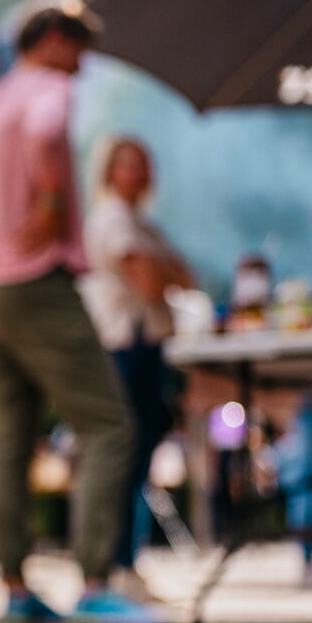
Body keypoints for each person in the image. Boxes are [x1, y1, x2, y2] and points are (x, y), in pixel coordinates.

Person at [0, 0, 169, 623]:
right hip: (33, 281)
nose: (80, 67)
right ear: (52, 39)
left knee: (5, 439)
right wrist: (50, 201)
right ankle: (99, 584)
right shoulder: (43, 89)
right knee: (107, 425)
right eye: (79, 50)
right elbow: (48, 132)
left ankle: (17, 589)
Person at [82, 136, 196, 599]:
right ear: (110, 171)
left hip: (142, 344)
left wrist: (165, 269)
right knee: (126, 454)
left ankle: (123, 563)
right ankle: (114, 566)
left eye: (145, 165)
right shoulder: (114, 219)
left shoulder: (140, 223)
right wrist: (165, 269)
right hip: (124, 344)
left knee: (140, 456)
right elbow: (155, 282)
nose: (141, 174)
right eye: (131, 165)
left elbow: (185, 277)